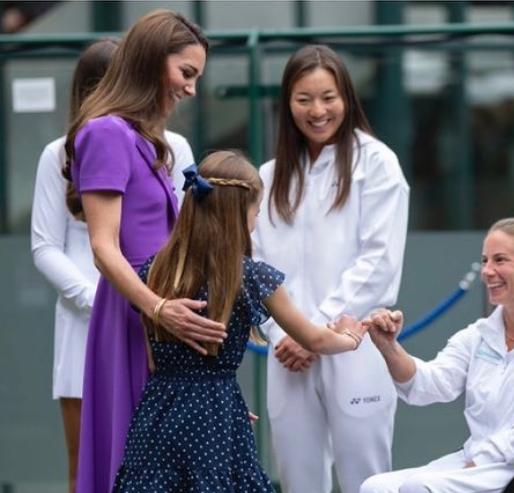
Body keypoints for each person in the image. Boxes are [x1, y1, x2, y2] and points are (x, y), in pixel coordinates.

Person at [113, 150, 366, 492]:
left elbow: (153, 358)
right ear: (238, 215)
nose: (256, 221)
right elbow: (314, 340)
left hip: (160, 413)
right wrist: (350, 337)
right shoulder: (248, 277)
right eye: (255, 212)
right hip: (215, 416)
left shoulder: (155, 271)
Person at [62, 11, 224, 493]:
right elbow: (103, 247)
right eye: (186, 73)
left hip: (161, 316)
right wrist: (157, 310)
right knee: (137, 463)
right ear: (154, 62)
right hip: (137, 316)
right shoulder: (107, 133)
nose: (191, 89)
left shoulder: (144, 140)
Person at [30, 37, 196, 493]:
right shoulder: (61, 152)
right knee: (88, 463)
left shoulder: (174, 146)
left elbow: (185, 232)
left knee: (162, 461)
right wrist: (99, 298)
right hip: (92, 313)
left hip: (157, 314)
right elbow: (46, 246)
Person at [252, 44, 410, 493]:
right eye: (304, 99)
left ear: (347, 98)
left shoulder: (376, 164)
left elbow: (378, 260)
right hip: (287, 353)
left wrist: (315, 332)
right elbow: (254, 264)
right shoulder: (268, 177)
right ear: (287, 103)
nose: (318, 110)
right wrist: (287, 333)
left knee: (369, 477)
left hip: (355, 342)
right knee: (298, 476)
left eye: (328, 97)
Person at [361, 218, 514, 493]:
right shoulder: (481, 334)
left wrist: (474, 464)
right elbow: (427, 386)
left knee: (418, 488)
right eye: (485, 261)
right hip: (483, 464)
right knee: (375, 487)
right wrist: (389, 346)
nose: (487, 271)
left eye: (500, 260)